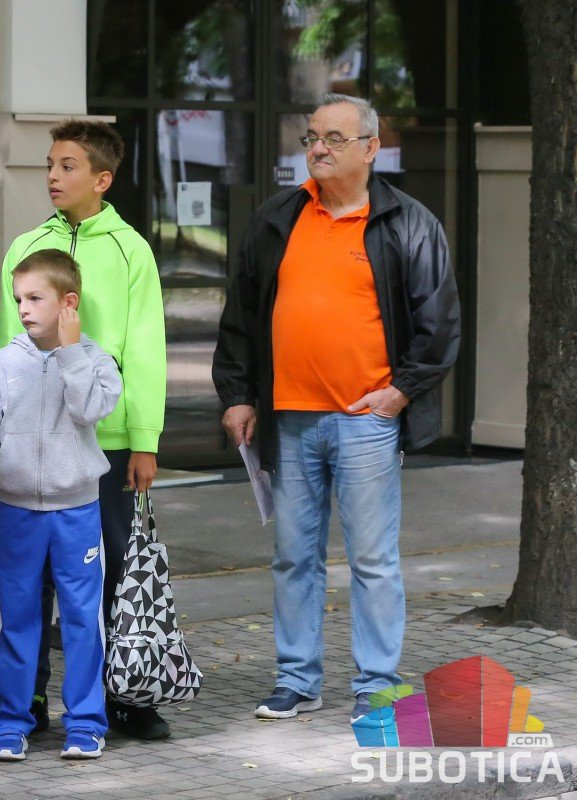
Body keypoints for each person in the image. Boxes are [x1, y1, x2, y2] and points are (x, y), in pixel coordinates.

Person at [212, 94, 460, 724]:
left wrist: (399, 393)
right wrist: (238, 395)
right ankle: (297, 679)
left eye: (333, 139)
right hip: (289, 419)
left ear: (371, 148)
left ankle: (377, 683)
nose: (318, 148)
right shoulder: (277, 218)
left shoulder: (408, 223)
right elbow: (241, 315)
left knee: (373, 561)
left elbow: (438, 324)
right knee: (293, 557)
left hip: (365, 422)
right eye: (312, 138)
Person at [0, 120, 169, 740]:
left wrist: (144, 439)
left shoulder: (131, 250)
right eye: (49, 164)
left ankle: (124, 696)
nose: (52, 176)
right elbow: (8, 350)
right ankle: (28, 700)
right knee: (31, 583)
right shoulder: (26, 247)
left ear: (102, 179)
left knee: (114, 573)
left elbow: (145, 348)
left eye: (67, 166)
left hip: (108, 444)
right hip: (36, 449)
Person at [0, 249, 121, 761]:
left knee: (82, 620)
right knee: (15, 620)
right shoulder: (3, 364)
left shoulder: (97, 361)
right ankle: (10, 722)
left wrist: (71, 353)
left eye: (35, 298)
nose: (23, 309)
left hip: (78, 512)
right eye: (18, 299)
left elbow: (89, 410)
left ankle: (86, 723)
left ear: (68, 303)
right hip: (17, 512)